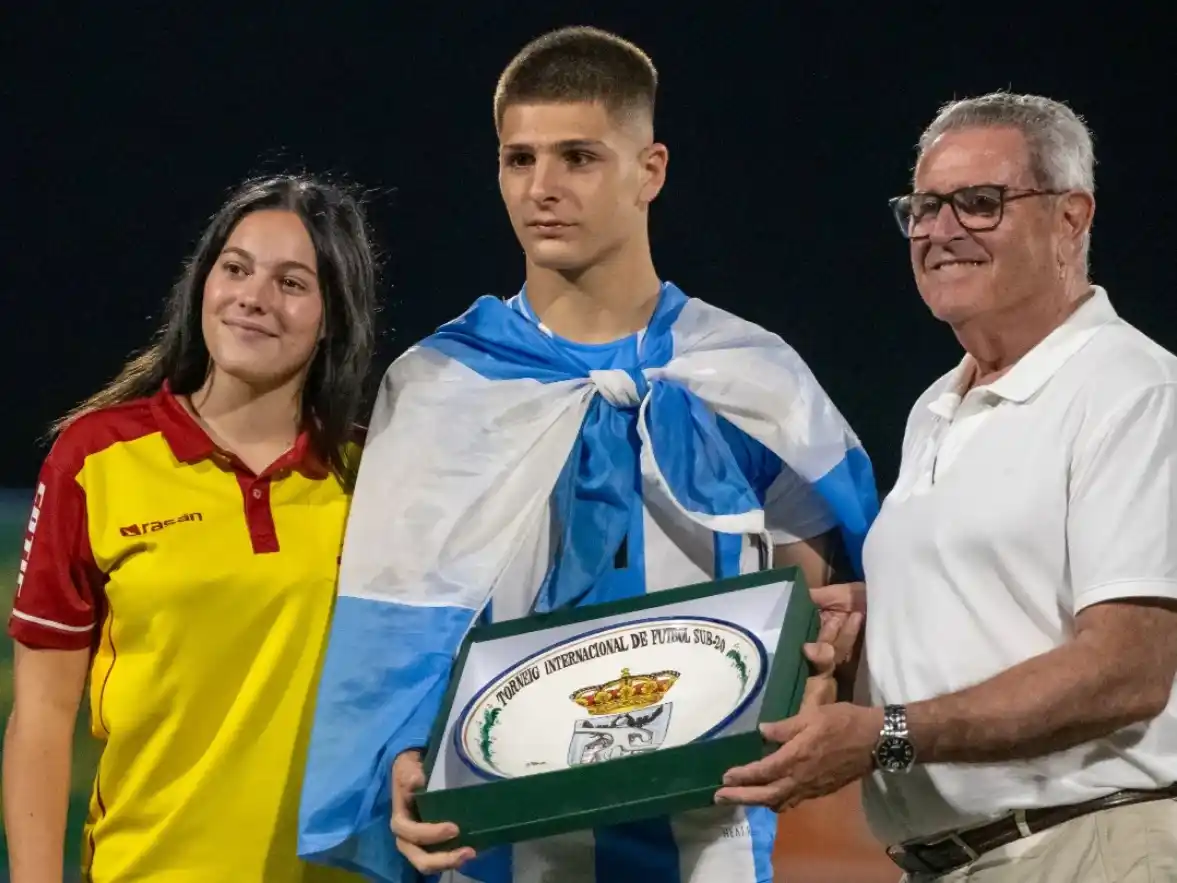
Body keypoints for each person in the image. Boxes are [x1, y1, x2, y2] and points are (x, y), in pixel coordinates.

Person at [296, 26, 876, 883]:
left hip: (707, 844)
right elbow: (395, 634)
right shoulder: (436, 388)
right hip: (494, 848)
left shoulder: (750, 377)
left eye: (578, 157)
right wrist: (398, 763)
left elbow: (824, 616)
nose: (542, 189)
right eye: (517, 158)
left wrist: (824, 671)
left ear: (651, 169)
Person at [714, 92, 1177, 881]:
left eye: (979, 202)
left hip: (1088, 846)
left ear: (1070, 218)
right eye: (923, 206)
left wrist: (885, 732)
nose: (938, 230)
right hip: (945, 860)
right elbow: (998, 607)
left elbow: (1126, 668)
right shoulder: (935, 407)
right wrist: (877, 623)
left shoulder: (1132, 389)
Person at [3, 173, 380, 883]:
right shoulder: (96, 457)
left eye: (292, 283)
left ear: (334, 315)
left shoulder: (375, 471)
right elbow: (43, 713)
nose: (253, 297)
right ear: (202, 282)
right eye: (234, 267)